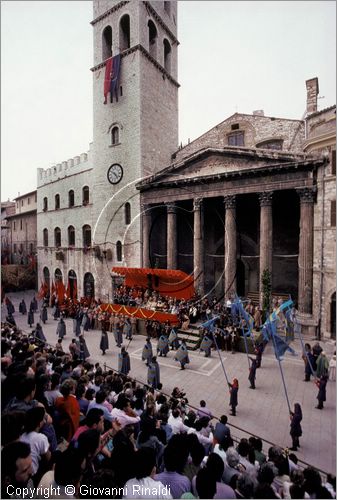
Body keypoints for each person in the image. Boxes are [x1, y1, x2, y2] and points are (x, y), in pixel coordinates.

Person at [20, 407, 51, 480]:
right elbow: (49, 458)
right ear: (40, 424)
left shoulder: (22, 435)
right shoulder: (41, 438)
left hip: (23, 472)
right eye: (44, 418)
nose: (45, 420)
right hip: (33, 475)